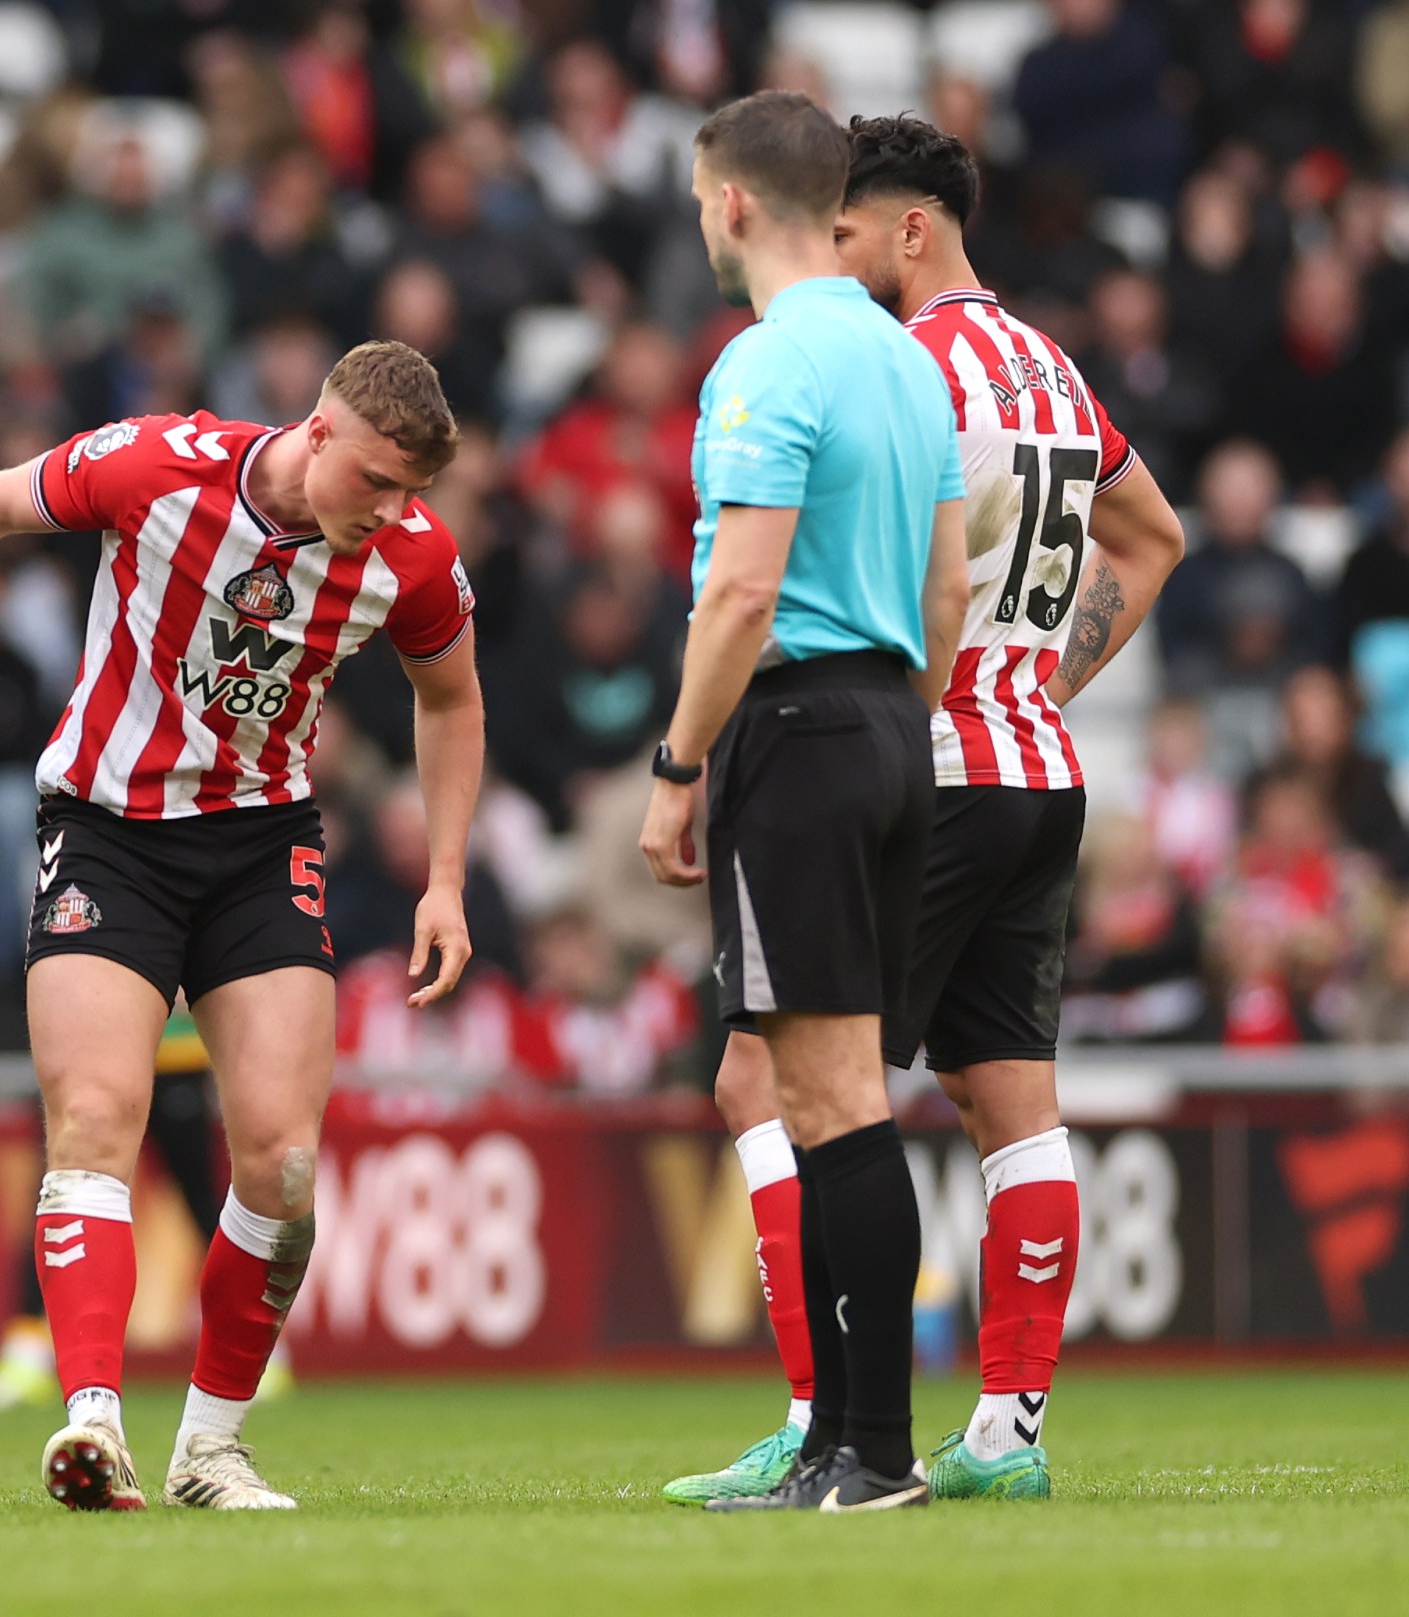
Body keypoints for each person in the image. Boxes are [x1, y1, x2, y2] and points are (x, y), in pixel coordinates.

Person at [0, 339, 487, 1511]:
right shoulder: (159, 465)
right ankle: (92, 1425)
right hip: (110, 828)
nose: (391, 511)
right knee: (97, 1114)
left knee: (283, 1161)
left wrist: (446, 875)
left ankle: (210, 1451)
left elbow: (451, 699)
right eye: (373, 481)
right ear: (316, 435)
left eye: (412, 491)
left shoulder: (409, 559)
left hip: (261, 845)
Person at [662, 113, 1188, 1508]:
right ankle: (1008, 1431)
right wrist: (1046, 679)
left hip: (923, 756)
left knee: (778, 1085)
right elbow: (1155, 537)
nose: (829, 252)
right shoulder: (1054, 367)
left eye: (850, 228)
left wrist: (933, 689)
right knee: (1012, 1103)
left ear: (911, 229)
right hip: (1038, 765)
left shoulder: (902, 363)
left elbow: (892, 561)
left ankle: (827, 1420)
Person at [635, 92, 969, 1513]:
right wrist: (899, 717)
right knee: (835, 1095)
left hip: (803, 725)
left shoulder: (763, 364)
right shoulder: (906, 360)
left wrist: (677, 765)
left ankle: (875, 1451)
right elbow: (948, 589)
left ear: (729, 204)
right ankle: (839, 1441)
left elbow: (742, 588)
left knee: (831, 1105)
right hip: (898, 715)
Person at [0, 1009, 298, 1411]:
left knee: (203, 1206)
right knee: (60, 1197)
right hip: (92, 1056)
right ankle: (25, 1355)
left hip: (173, 1055)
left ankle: (259, 1349)